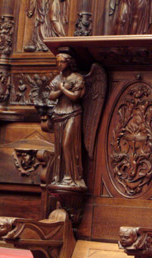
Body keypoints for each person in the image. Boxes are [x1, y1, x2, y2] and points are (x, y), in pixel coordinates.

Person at [48, 53, 86, 188]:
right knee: (58, 147)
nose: (59, 65)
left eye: (62, 62)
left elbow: (75, 97)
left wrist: (62, 88)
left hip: (73, 113)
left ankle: (71, 177)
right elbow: (51, 96)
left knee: (67, 144)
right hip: (59, 113)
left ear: (69, 63)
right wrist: (62, 89)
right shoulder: (57, 79)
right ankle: (58, 177)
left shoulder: (77, 78)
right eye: (57, 62)